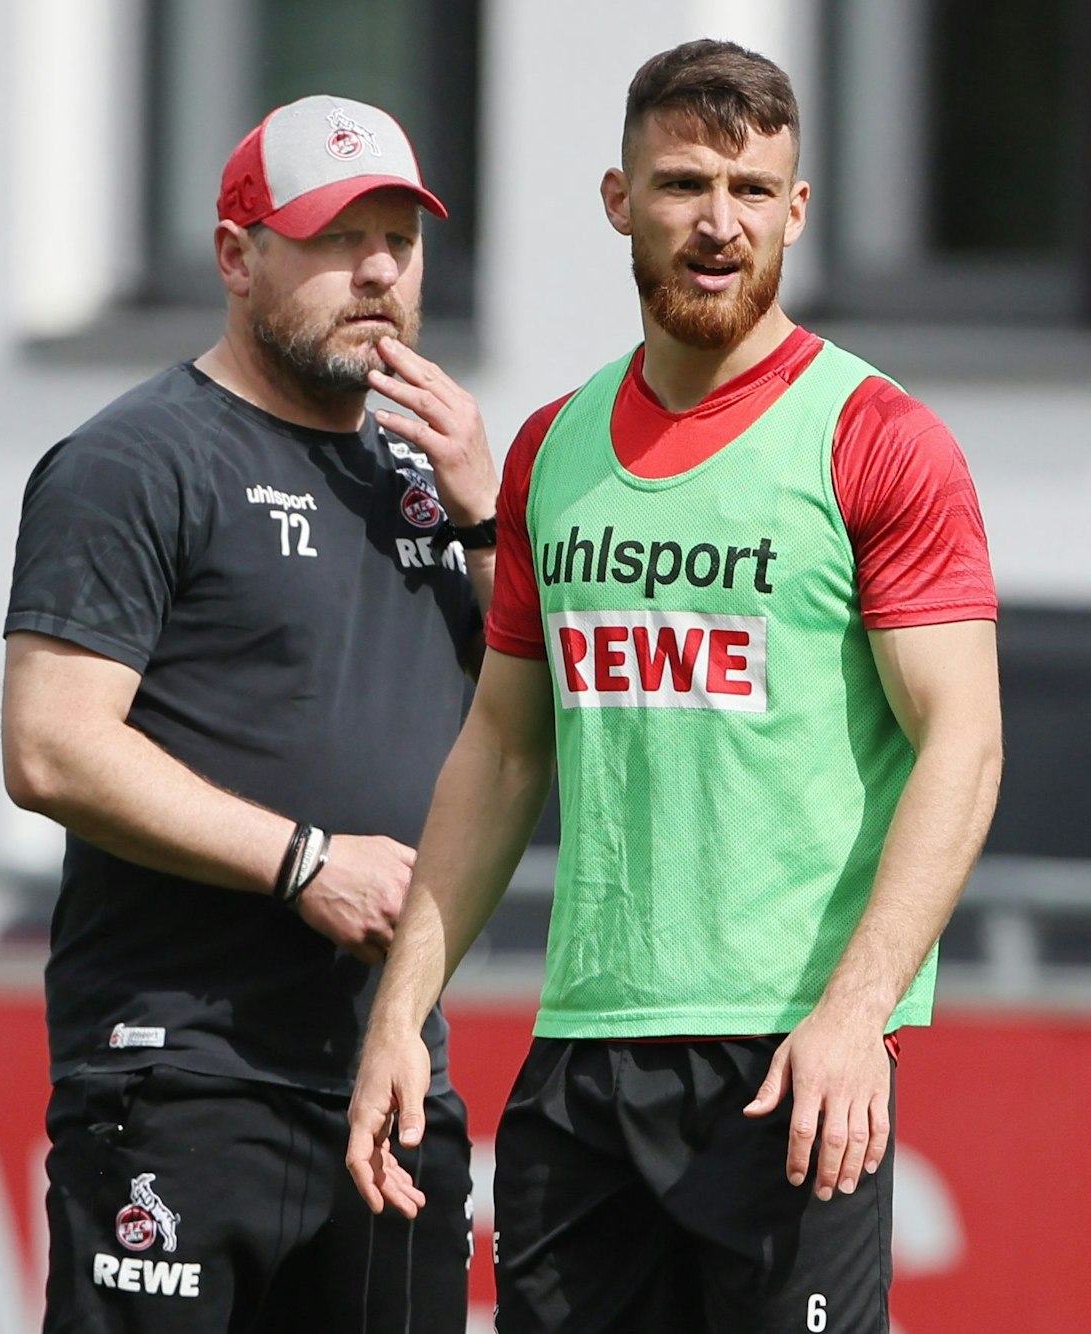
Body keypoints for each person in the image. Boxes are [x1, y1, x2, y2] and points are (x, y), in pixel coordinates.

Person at [346, 39, 1003, 1333]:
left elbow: (962, 746)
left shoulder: (876, 438)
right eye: (683, 184)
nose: (717, 224)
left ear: (795, 212)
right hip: (584, 1054)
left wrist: (854, 1015)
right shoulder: (552, 449)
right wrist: (400, 1007)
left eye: (751, 191)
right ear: (618, 199)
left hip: (789, 1060)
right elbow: (502, 748)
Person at [2, 94, 495, 1332]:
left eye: (400, 240)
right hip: (183, 1077)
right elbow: (50, 745)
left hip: (390, 1085)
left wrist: (489, 520)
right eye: (336, 237)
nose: (377, 271)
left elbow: (531, 727)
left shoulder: (431, 483)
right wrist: (302, 860)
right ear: (235, 255)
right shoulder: (135, 459)